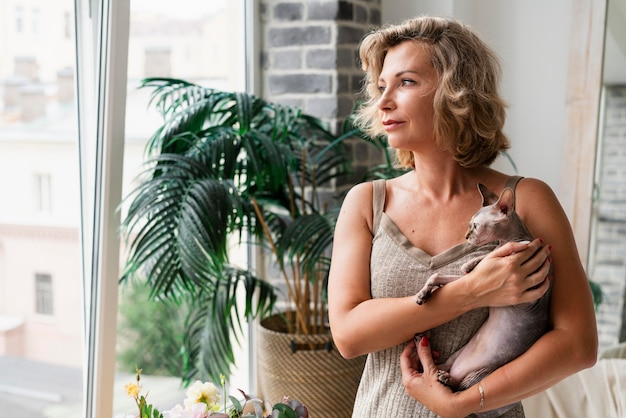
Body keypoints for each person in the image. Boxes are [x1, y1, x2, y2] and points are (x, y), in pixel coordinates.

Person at [327, 15, 598, 418]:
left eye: (406, 82)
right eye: (382, 86)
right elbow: (348, 334)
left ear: (457, 91)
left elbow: (577, 345)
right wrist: (470, 292)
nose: (383, 101)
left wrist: (463, 404)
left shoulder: (526, 200)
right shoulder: (367, 202)